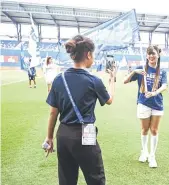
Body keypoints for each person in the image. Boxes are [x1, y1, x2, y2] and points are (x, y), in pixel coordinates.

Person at [43, 35, 115, 185]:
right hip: (85, 132)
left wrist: (49, 138)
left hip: (63, 134)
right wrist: (112, 80)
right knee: (95, 178)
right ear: (88, 54)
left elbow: (53, 113)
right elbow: (109, 100)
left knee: (66, 180)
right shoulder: (93, 81)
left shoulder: (59, 79)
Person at [123, 45, 167, 168]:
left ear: (158, 55)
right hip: (143, 103)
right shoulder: (141, 69)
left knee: (154, 130)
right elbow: (124, 81)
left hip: (157, 104)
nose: (151, 56)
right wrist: (134, 72)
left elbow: (164, 86)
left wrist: (154, 92)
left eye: (154, 53)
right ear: (146, 56)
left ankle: (152, 156)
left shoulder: (162, 71)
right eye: (149, 53)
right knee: (144, 129)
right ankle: (144, 152)